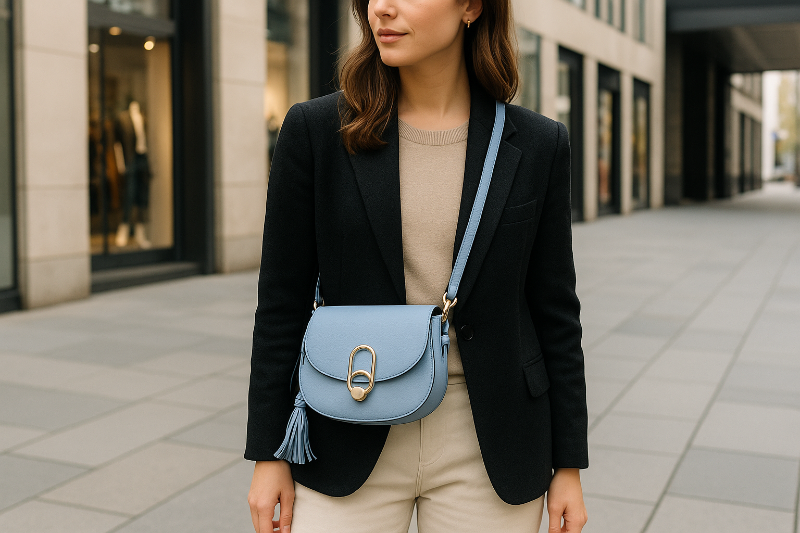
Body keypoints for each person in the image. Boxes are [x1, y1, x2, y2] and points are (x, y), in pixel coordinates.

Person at [246, 1, 589, 532]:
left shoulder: (538, 143)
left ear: (471, 7)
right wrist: (268, 453)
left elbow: (555, 315)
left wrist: (568, 464)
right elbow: (280, 306)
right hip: (348, 420)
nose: (382, 7)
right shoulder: (317, 132)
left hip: (487, 439)